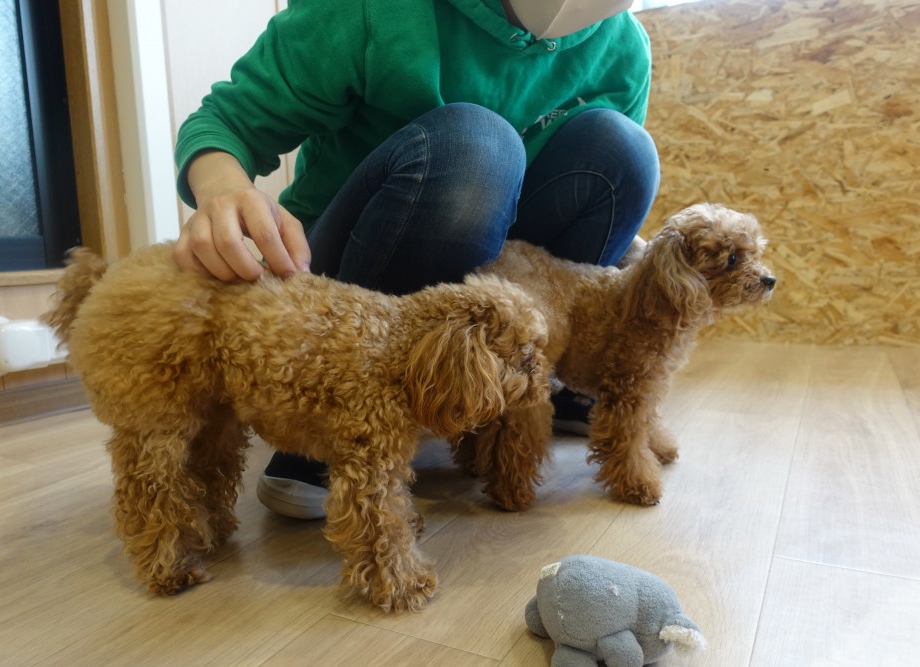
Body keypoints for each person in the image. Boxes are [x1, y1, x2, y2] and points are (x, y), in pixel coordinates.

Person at [173, 0, 660, 519]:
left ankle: (520, 387)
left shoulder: (622, 47)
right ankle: (339, 416)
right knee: (479, 148)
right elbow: (226, 120)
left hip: (495, 268)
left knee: (625, 151)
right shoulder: (373, 10)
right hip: (353, 273)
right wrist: (221, 187)